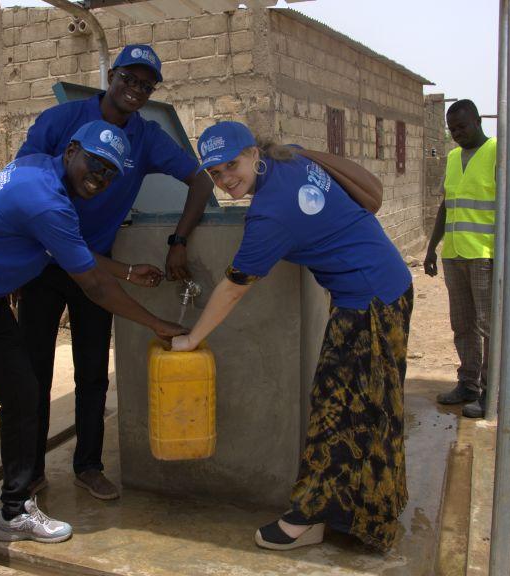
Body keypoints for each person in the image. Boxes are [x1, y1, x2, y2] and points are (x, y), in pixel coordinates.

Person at [0, 120, 186, 576]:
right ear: (72, 149)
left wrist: (128, 270)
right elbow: (93, 286)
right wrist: (156, 323)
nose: (101, 177)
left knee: (25, 398)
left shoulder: (40, 170)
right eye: (95, 163)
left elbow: (67, 246)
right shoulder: (44, 198)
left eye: (111, 172)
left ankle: (14, 510)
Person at [171, 122, 414, 552]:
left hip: (368, 304)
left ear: (252, 153)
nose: (227, 179)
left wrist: (192, 340)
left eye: (232, 165)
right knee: (369, 406)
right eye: (215, 173)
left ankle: (311, 517)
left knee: (336, 413)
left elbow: (233, 288)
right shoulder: (290, 157)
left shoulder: (270, 212)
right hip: (386, 287)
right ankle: (353, 513)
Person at [15, 44, 213, 500]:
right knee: (33, 372)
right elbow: (24, 178)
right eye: (129, 79)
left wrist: (179, 240)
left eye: (147, 85)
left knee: (91, 371)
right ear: (111, 76)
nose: (136, 90)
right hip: (42, 262)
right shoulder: (61, 121)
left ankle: (88, 465)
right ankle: (28, 471)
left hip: (94, 269)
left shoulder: (146, 138)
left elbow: (201, 181)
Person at [424, 99, 496, 419]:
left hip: (484, 254)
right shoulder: (453, 158)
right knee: (462, 325)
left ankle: (490, 393)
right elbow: (446, 206)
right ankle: (468, 385)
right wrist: (431, 248)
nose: (457, 134)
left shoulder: (497, 152)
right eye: (452, 129)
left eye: (462, 127)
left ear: (478, 121)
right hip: (454, 254)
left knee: (488, 327)